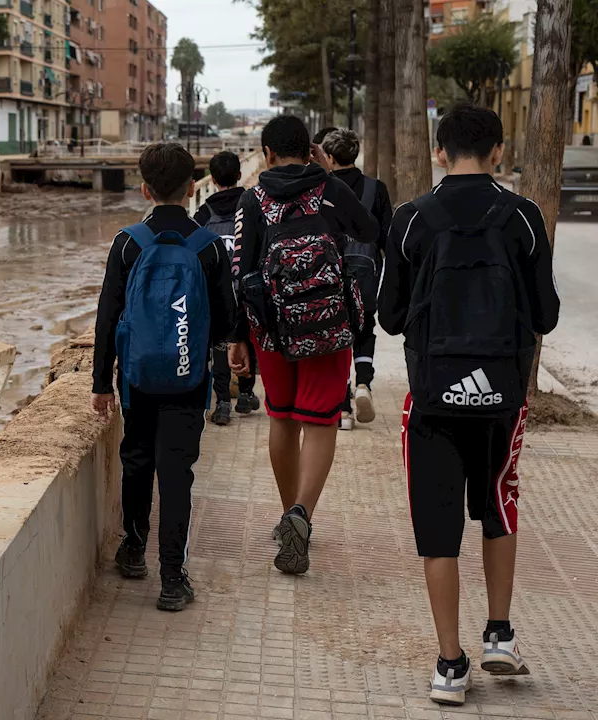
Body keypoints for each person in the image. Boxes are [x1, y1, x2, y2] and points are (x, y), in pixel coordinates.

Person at [378, 103, 560, 707]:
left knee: (438, 532)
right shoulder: (525, 218)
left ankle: (450, 666)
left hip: (433, 398)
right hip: (502, 398)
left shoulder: (410, 219)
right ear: (498, 152)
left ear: (438, 151)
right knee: (497, 507)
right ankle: (500, 636)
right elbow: (547, 315)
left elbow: (391, 316)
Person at [228, 115, 378, 575]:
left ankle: (286, 513)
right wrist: (329, 177)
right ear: (311, 149)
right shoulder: (331, 190)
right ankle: (302, 514)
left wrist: (239, 339)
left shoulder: (253, 199)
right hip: (329, 326)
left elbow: (242, 269)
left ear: (267, 154)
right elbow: (369, 231)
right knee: (320, 422)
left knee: (282, 418)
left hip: (272, 330)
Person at [91, 142, 235, 611]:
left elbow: (108, 316)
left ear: (144, 189)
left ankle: (133, 549)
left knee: (136, 462)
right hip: (188, 379)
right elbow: (225, 322)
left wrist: (99, 382)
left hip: (136, 379)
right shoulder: (210, 247)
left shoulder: (128, 242)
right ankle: (173, 579)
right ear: (194, 188)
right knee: (177, 474)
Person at [320, 128, 394, 430]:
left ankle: (343, 408)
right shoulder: (376, 189)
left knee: (335, 336)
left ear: (331, 157)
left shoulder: (323, 189)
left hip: (330, 272)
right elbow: (387, 238)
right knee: (364, 327)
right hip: (366, 272)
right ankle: (363, 383)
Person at [193, 150, 259, 426]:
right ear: (239, 174)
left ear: (213, 178)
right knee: (247, 337)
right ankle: (245, 393)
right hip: (247, 285)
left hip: (215, 289)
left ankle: (221, 403)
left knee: (220, 343)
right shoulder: (252, 204)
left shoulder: (204, 212)